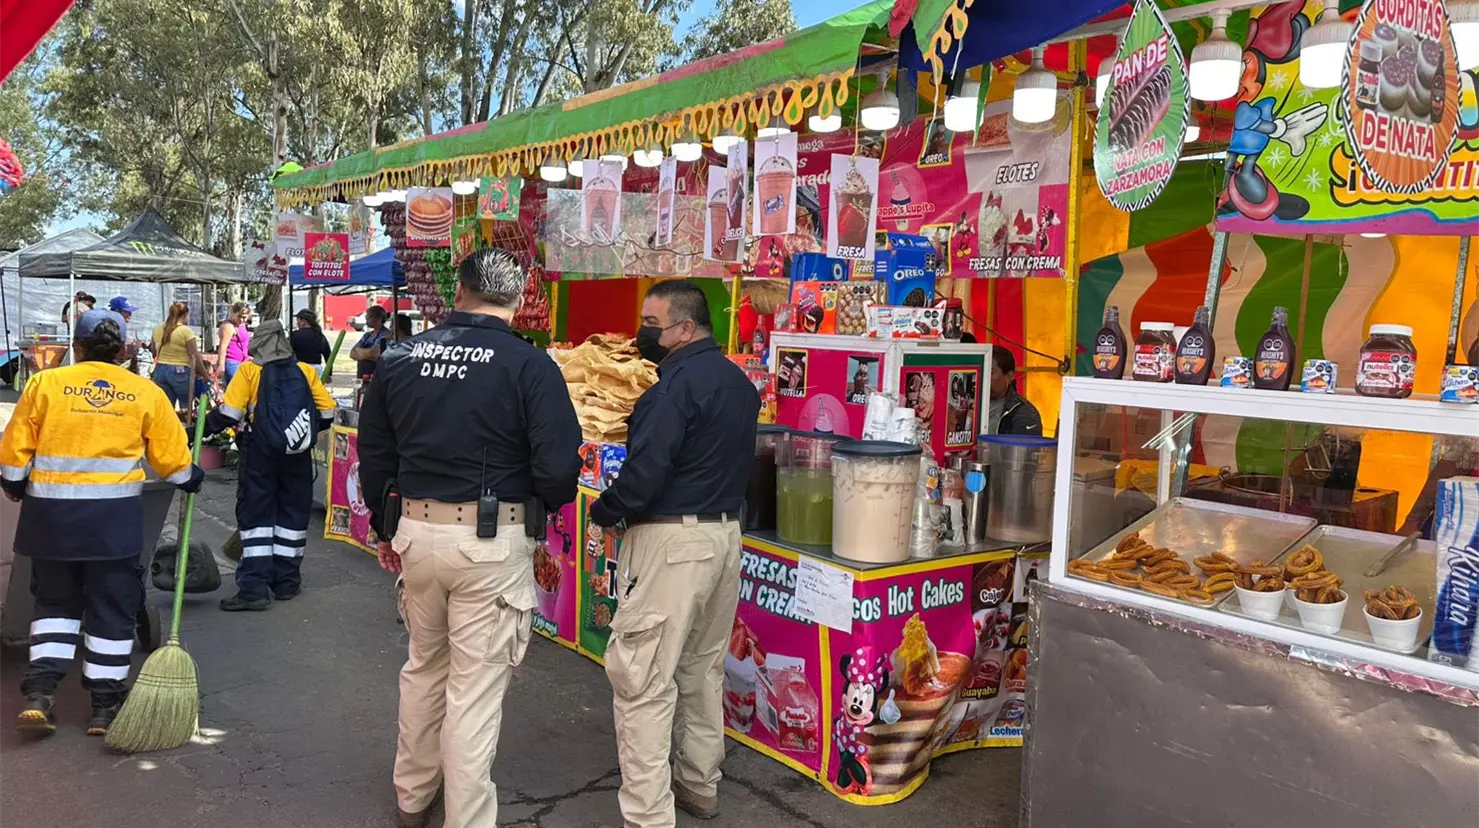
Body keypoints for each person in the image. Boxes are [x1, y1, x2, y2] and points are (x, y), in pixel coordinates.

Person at [358, 249, 581, 828]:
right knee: (473, 692)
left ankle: (412, 797)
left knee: (424, 669)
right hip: (491, 541)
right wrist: (541, 505)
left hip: (416, 534)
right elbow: (559, 469)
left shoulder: (401, 356)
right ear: (520, 299)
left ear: (458, 293)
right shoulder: (530, 365)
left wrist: (385, 528)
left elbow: (375, 454)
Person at [588, 279, 760, 828]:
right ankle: (699, 782)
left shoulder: (672, 391)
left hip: (672, 544)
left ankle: (648, 814)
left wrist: (604, 509)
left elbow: (644, 476)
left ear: (685, 329)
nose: (642, 332)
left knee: (643, 679)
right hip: (724, 539)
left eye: (651, 324)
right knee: (702, 669)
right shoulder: (740, 385)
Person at [1, 310, 203, 736]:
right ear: (124, 350)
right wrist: (190, 476)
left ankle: (40, 694)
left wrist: (15, 485)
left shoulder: (44, 384)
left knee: (54, 606)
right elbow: (172, 461)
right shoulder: (144, 392)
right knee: (111, 609)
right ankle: (105, 706)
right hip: (112, 526)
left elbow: (15, 451)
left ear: (77, 346)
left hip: (51, 522)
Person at [204, 319, 336, 611]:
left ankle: (253, 588)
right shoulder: (304, 371)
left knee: (257, 516)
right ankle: (286, 582)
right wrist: (297, 434)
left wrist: (195, 432)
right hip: (297, 455)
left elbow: (228, 415)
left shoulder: (249, 371)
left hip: (259, 453)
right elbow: (327, 413)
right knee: (292, 514)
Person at [150, 302, 213, 408]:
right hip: (180, 371)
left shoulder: (157, 328)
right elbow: (194, 355)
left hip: (160, 369)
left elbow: (153, 351)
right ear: (185, 315)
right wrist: (205, 375)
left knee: (166, 406)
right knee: (186, 406)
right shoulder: (185, 331)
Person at [988, 348, 1042, 436]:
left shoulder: (1025, 413)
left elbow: (1023, 444)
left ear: (1009, 376)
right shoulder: (970, 403)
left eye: (990, 372)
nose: (984, 377)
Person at [216, 301, 253, 389]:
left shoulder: (242, 325)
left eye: (244, 317)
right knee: (237, 390)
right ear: (233, 313)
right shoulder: (228, 326)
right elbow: (223, 346)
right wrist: (221, 365)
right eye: (239, 316)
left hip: (243, 363)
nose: (241, 320)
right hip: (232, 363)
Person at [350, 305, 390, 380]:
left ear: (378, 318)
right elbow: (352, 353)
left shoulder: (386, 334)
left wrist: (359, 350)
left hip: (377, 377)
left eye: (369, 316)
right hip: (362, 377)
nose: (366, 319)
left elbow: (375, 354)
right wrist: (368, 353)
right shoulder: (367, 335)